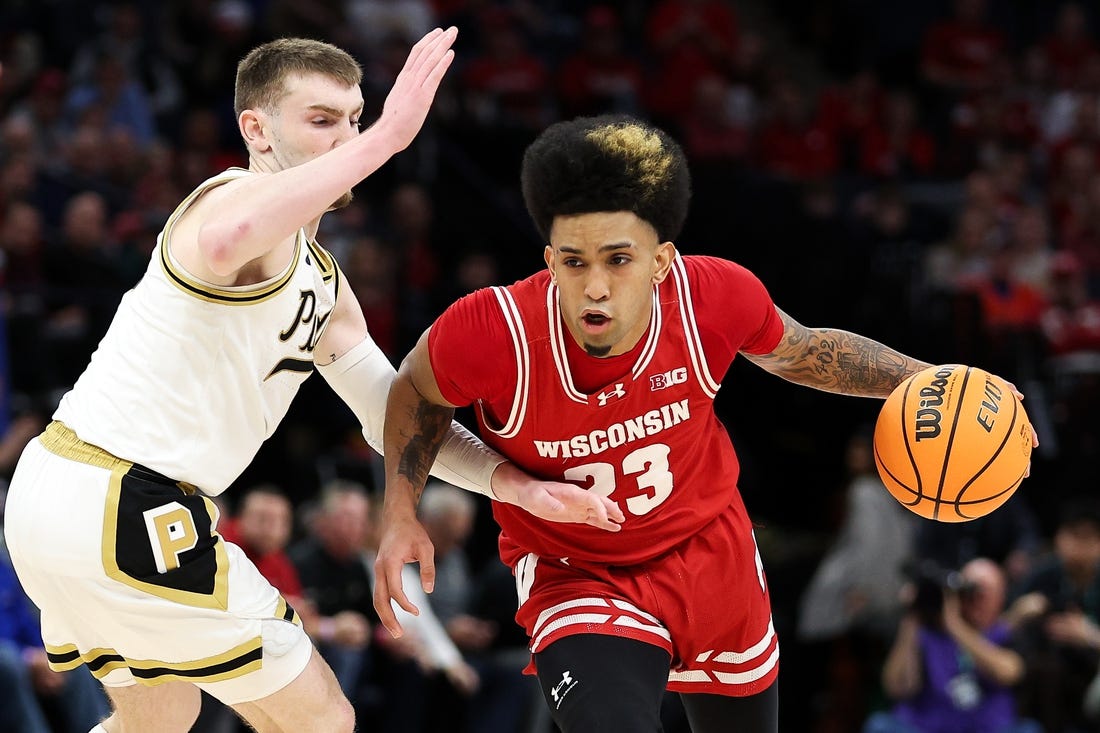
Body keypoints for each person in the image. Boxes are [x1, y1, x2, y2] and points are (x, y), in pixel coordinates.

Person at [1, 29, 620, 733]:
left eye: (355, 118)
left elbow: (401, 420)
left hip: (62, 496)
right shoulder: (226, 200)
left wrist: (521, 485)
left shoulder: (325, 287)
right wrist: (388, 138)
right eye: (322, 120)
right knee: (321, 717)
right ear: (256, 129)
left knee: (162, 714)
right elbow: (235, 239)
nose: (346, 137)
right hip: (125, 500)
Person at [373, 113, 1034, 732]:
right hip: (577, 568)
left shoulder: (711, 296)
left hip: (711, 555)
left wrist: (939, 378)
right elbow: (410, 395)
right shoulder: (493, 330)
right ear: (550, 261)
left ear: (661, 262)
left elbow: (804, 351)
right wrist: (400, 511)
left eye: (618, 258)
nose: (594, 286)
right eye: (573, 261)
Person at [863, 557, 1041, 733]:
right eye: (968, 591)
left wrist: (955, 625)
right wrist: (912, 618)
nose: (975, 599)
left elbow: (1009, 672)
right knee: (879, 725)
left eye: (983, 592)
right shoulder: (926, 633)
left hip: (987, 727)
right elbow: (896, 687)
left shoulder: (1004, 633)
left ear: (1001, 597)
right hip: (926, 727)